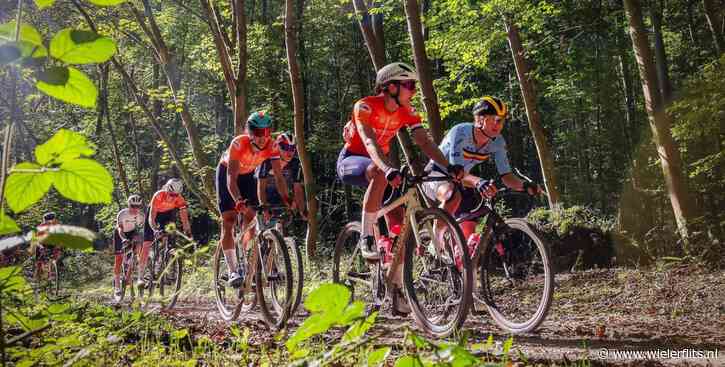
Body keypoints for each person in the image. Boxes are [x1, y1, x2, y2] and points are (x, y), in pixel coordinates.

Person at [335, 62, 464, 314]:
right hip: (353, 160)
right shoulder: (365, 105)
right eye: (409, 85)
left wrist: (448, 167)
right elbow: (369, 141)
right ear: (390, 87)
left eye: (414, 85)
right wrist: (386, 168)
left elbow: (424, 141)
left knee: (402, 227)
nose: (413, 90)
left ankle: (395, 286)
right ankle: (366, 238)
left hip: (383, 165)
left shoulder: (406, 110)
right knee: (378, 174)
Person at [421, 96, 543, 242]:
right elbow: (457, 172)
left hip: (462, 180)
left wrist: (525, 185)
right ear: (480, 120)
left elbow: (507, 176)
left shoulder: (497, 142)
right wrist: (478, 182)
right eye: (496, 119)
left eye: (502, 120)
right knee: (451, 195)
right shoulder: (460, 132)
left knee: (468, 231)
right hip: (436, 175)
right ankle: (437, 240)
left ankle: (462, 259)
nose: (499, 124)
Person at [216, 111, 291, 287]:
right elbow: (231, 179)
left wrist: (287, 198)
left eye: (266, 133)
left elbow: (279, 177)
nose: (262, 138)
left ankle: (246, 254)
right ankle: (232, 269)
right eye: (258, 133)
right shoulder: (238, 143)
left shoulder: (272, 146)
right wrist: (238, 200)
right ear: (249, 132)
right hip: (227, 174)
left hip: (249, 175)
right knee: (229, 219)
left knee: (251, 217)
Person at [140, 178, 193, 287]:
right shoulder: (158, 195)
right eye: (171, 194)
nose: (173, 197)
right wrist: (155, 230)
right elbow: (151, 218)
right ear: (167, 189)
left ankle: (162, 264)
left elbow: (184, 219)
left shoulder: (180, 199)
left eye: (176, 195)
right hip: (154, 214)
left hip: (168, 214)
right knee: (146, 244)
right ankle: (141, 277)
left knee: (169, 236)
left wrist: (188, 232)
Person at [255, 132, 306, 216]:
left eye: (292, 148)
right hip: (259, 187)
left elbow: (297, 188)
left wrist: (302, 210)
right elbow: (261, 186)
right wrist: (263, 205)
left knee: (285, 211)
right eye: (285, 147)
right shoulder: (267, 159)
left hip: (280, 191)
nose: (289, 152)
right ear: (278, 147)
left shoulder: (295, 162)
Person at [113, 195, 145, 296]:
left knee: (138, 247)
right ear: (129, 205)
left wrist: (139, 238)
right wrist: (123, 239)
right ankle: (117, 286)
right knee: (118, 258)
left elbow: (140, 230)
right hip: (120, 234)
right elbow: (120, 229)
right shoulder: (122, 214)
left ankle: (134, 262)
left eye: (138, 206)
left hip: (132, 232)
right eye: (133, 206)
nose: (135, 209)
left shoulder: (141, 216)